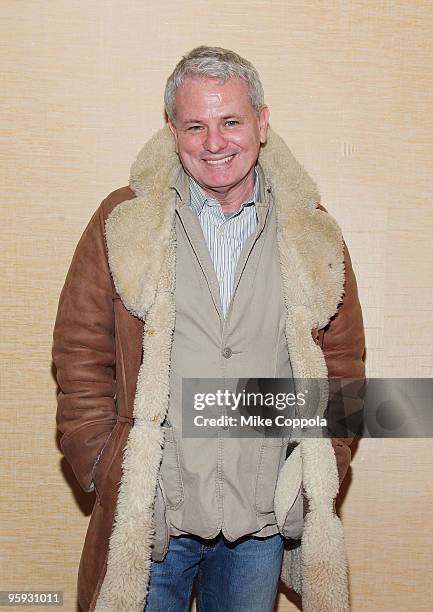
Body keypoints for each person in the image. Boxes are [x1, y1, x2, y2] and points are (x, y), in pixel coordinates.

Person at [53, 46, 365, 612]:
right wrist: (108, 463)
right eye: (196, 125)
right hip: (152, 522)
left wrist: (317, 473)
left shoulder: (312, 235)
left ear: (262, 123)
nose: (214, 143)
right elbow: (78, 356)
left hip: (260, 527)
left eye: (231, 122)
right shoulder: (123, 222)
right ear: (173, 130)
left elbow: (345, 372)